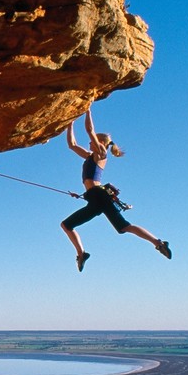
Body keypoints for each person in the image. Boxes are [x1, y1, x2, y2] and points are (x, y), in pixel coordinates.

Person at [61, 110, 171, 272]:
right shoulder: (89, 156)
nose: (89, 143)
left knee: (123, 227)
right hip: (94, 198)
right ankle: (81, 254)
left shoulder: (101, 154)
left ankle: (159, 243)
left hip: (99, 195)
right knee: (68, 225)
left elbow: (90, 131)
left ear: (101, 143)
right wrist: (69, 124)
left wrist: (87, 109)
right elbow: (72, 145)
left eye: (92, 142)